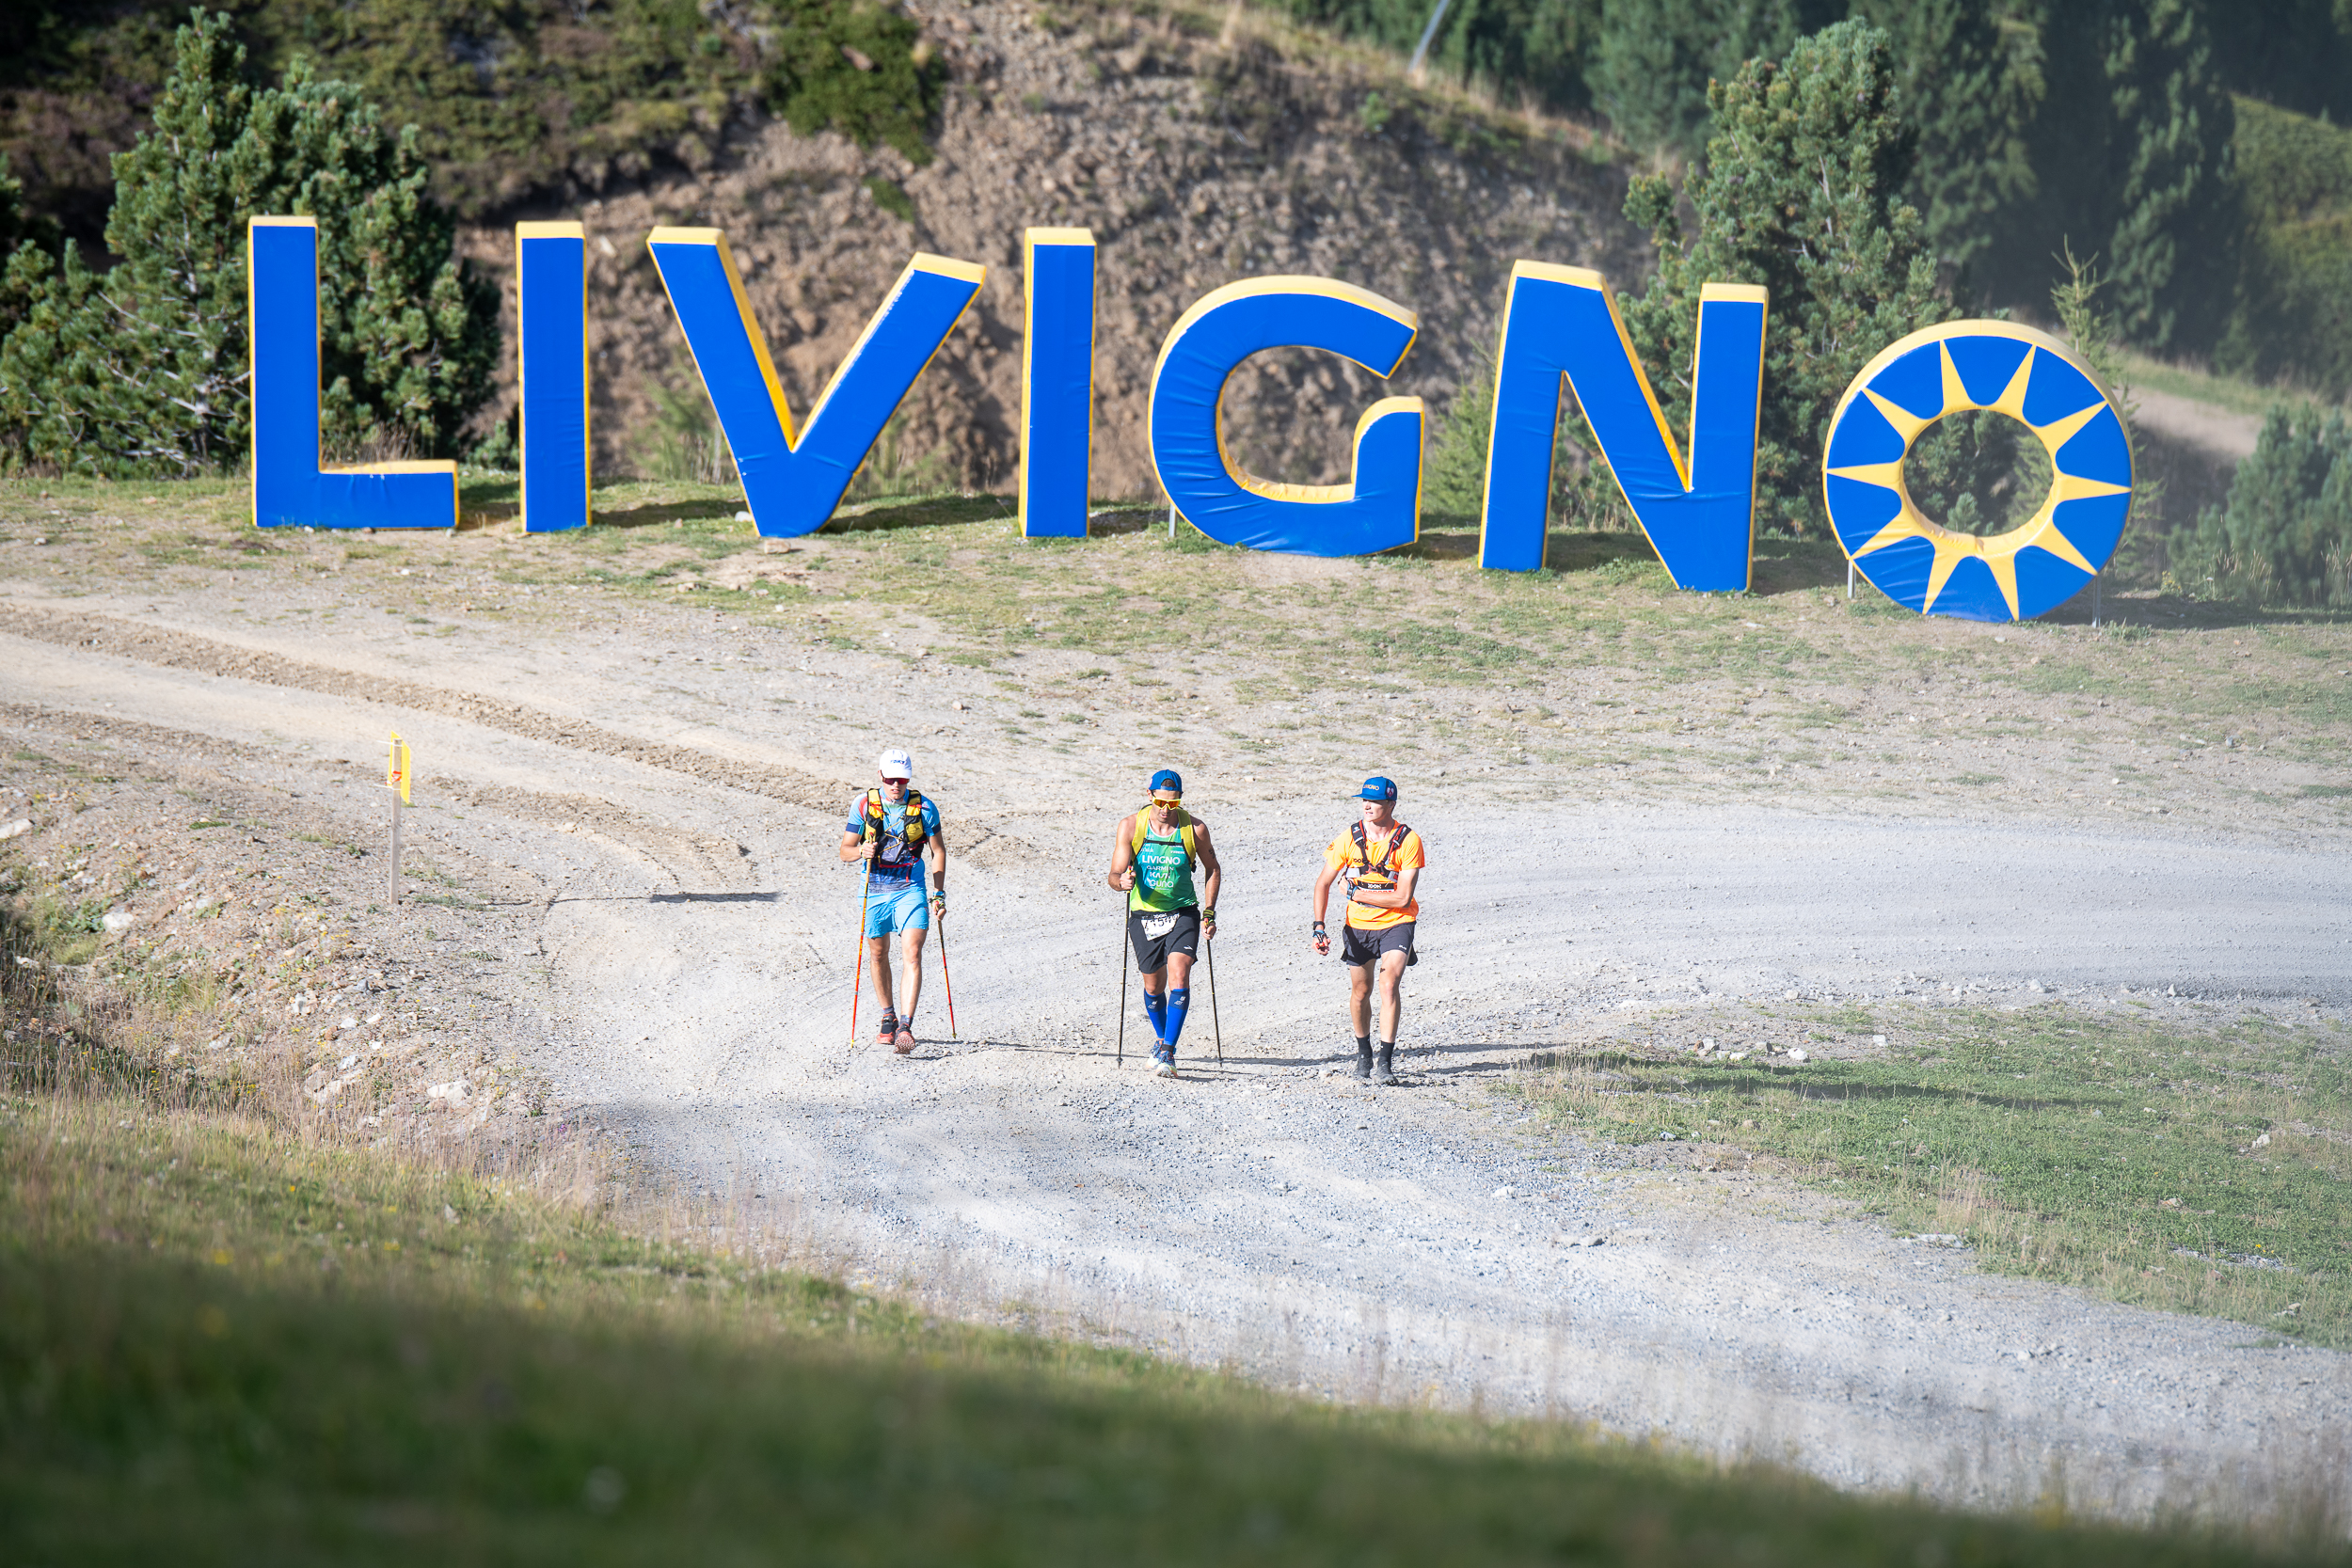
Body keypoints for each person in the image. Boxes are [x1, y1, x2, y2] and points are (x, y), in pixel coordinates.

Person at [1107, 768, 1222, 1078]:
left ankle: (1169, 1050)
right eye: (1161, 802)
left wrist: (1209, 912)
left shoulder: (1194, 829)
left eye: (1173, 803)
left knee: (1180, 974)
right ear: (1149, 796)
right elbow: (1113, 875)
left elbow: (1213, 869)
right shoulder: (1131, 826)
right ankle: (1160, 1040)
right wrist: (1123, 882)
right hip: (1144, 914)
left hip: (1183, 911)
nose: (1166, 809)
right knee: (1153, 986)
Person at [1311, 776, 1424, 1085]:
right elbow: (1322, 883)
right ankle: (1364, 1053)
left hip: (1397, 922)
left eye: (1374, 801)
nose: (1367, 806)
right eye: (1364, 800)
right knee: (1361, 991)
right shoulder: (1350, 837)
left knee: (1389, 985)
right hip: (1358, 926)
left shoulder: (1409, 840)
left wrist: (1357, 893)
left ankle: (1385, 1063)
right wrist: (1318, 926)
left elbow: (1402, 897)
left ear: (1391, 804)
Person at [838, 748, 946, 1053]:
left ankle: (905, 1026)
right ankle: (888, 1016)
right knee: (878, 953)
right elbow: (845, 850)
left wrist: (938, 893)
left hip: (911, 887)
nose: (895, 786)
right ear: (880, 777)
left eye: (901, 779)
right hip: (874, 889)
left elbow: (938, 851)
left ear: (908, 778)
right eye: (890, 780)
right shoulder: (863, 805)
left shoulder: (925, 808)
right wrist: (861, 851)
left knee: (912, 953)